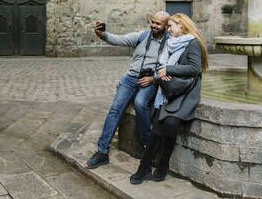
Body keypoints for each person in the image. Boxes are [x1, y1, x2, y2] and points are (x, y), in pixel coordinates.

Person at [129, 13, 208, 184]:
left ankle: (163, 166)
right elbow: (161, 65)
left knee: (170, 124)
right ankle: (144, 167)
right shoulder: (171, 42)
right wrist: (161, 73)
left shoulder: (192, 42)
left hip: (185, 92)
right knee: (157, 127)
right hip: (168, 90)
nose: (168, 29)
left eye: (171, 25)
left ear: (181, 25)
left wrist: (169, 70)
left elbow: (195, 68)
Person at [85, 11, 170, 169]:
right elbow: (120, 39)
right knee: (115, 109)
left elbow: (171, 67)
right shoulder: (143, 36)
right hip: (130, 79)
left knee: (140, 103)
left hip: (150, 81)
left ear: (166, 26)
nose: (153, 25)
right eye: (152, 22)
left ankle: (147, 146)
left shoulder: (170, 42)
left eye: (158, 24)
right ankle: (102, 152)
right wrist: (102, 34)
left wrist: (154, 79)